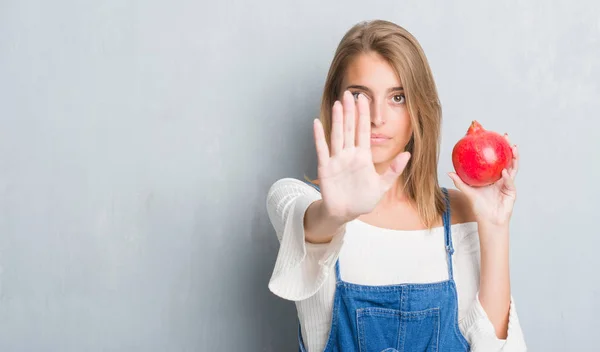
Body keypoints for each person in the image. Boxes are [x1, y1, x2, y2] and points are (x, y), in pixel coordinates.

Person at [266, 20, 527, 351]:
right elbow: (308, 226)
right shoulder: (301, 204)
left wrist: (493, 225)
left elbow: (494, 346)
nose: (377, 116)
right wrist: (335, 213)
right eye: (359, 95)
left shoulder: (460, 214)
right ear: (336, 103)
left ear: (420, 108)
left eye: (398, 97)